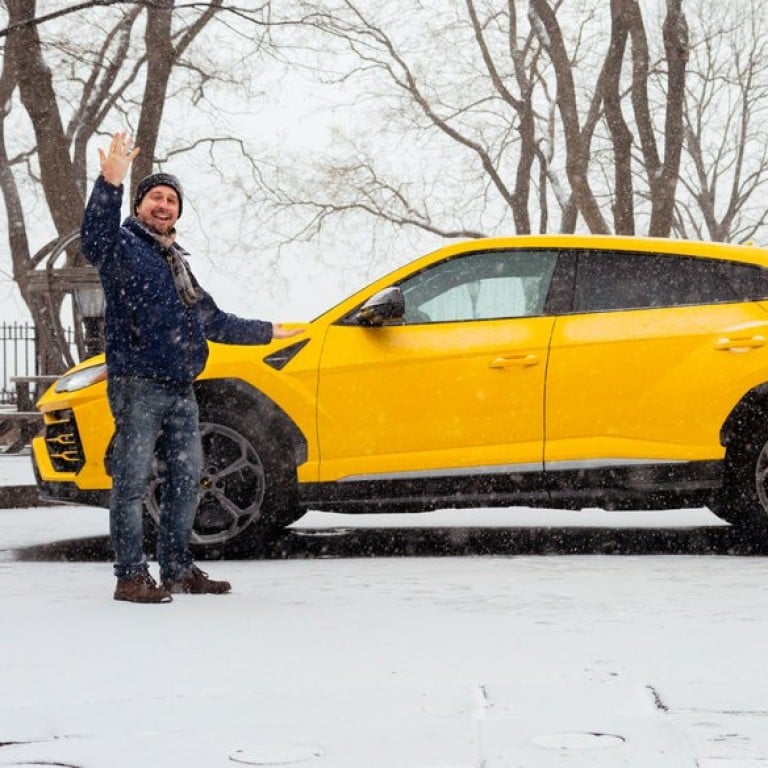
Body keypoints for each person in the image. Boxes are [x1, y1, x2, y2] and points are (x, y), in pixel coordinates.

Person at [81, 131, 302, 603]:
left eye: (172, 200)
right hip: (138, 384)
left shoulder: (175, 262)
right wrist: (109, 183)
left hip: (181, 386)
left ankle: (178, 568)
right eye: (156, 197)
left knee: (187, 479)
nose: (164, 205)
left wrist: (268, 330)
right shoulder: (122, 247)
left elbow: (213, 320)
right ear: (140, 206)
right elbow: (93, 240)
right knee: (133, 480)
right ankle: (131, 576)